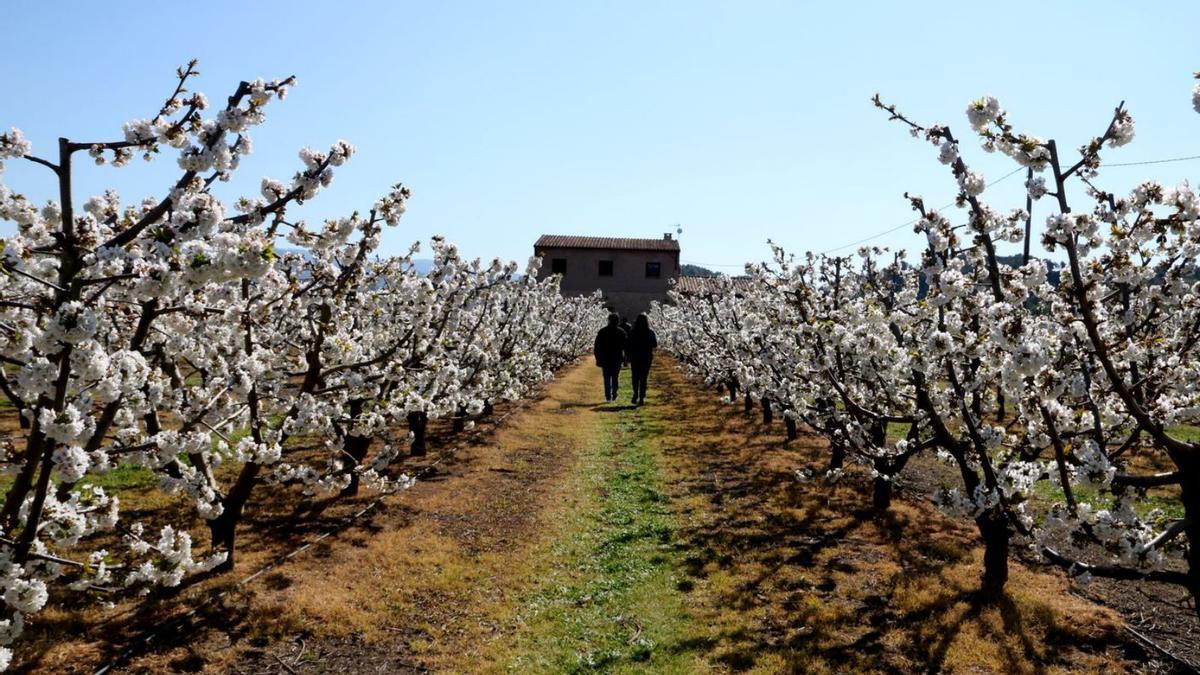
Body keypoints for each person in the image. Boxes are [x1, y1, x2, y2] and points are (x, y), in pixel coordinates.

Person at [593, 313, 628, 402]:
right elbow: (625, 346)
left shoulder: (602, 331)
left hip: (605, 358)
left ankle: (608, 396)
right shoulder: (621, 332)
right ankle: (614, 393)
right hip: (617, 358)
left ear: (608, 320)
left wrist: (598, 358)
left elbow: (597, 347)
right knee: (615, 377)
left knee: (607, 378)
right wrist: (625, 359)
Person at [626, 313, 657, 405]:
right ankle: (642, 397)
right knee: (644, 377)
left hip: (635, 357)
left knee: (635, 377)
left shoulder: (632, 332)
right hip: (646, 357)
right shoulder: (650, 332)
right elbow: (655, 344)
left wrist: (628, 356)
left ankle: (635, 394)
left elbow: (628, 345)